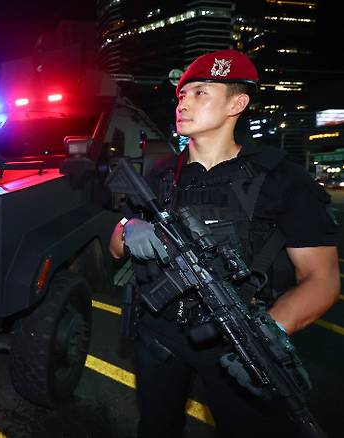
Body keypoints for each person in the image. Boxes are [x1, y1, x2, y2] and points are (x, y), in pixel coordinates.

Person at [109, 49, 340, 438]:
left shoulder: (282, 180)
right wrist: (128, 228)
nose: (183, 102)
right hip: (159, 333)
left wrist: (268, 334)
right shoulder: (162, 175)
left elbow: (322, 279)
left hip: (237, 338)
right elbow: (116, 246)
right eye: (182, 95)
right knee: (155, 427)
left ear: (238, 103)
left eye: (200, 92)